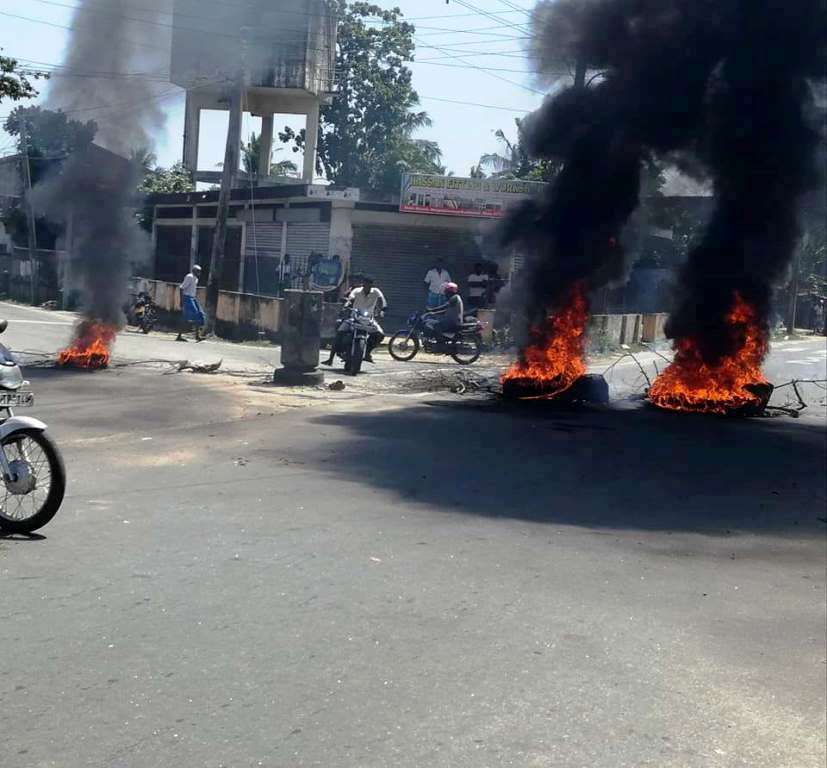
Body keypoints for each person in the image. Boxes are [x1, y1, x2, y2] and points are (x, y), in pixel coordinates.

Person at [324, 276, 387, 365]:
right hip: (354, 317)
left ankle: (367, 353)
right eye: (365, 284)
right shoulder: (356, 290)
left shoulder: (376, 291)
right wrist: (347, 304)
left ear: (372, 285)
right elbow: (350, 298)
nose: (366, 287)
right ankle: (330, 359)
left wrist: (383, 310)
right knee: (340, 332)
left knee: (380, 335)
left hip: (368, 319)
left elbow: (382, 301)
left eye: (369, 285)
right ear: (363, 284)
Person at [177, 264, 205, 342]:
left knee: (200, 314)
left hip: (193, 298)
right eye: (198, 271)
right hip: (187, 298)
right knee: (190, 316)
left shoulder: (196, 279)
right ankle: (181, 336)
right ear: (194, 271)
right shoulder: (189, 277)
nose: (199, 273)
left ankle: (197, 336)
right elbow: (181, 288)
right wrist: (181, 300)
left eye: (200, 271)